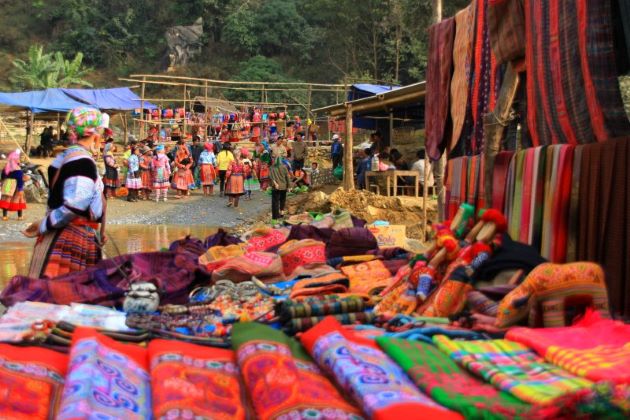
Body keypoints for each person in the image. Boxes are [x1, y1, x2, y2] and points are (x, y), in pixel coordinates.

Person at [23, 107, 106, 279]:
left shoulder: (65, 157)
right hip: (71, 238)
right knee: (67, 297)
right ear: (95, 135)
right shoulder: (82, 161)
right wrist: (44, 224)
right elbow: (75, 205)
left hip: (60, 233)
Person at [0, 149, 26, 221]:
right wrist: (20, 189)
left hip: (7, 185)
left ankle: (4, 216)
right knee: (18, 199)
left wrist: (2, 183)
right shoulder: (18, 170)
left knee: (6, 199)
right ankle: (20, 216)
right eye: (18, 158)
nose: (19, 160)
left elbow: (2, 177)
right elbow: (20, 180)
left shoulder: (6, 168)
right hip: (16, 186)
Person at [270, 157, 291, 221]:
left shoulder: (272, 167)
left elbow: (271, 177)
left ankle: (275, 217)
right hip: (283, 187)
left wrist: (275, 184)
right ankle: (282, 212)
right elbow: (287, 177)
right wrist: (289, 186)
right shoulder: (284, 167)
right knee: (282, 199)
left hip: (276, 187)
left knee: (275, 202)